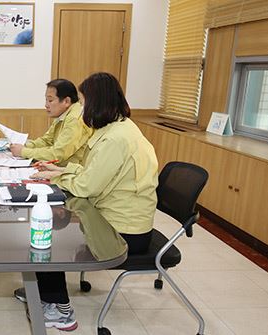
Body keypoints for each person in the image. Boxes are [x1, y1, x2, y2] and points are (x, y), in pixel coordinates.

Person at [14, 72, 159, 332]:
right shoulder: (114, 129)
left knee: (49, 235)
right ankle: (43, 291)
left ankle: (60, 309)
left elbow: (87, 186)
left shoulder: (116, 138)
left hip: (124, 229)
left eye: (83, 102)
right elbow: (90, 172)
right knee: (48, 222)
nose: (81, 110)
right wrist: (59, 172)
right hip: (110, 214)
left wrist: (57, 177)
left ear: (98, 102)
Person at [10, 79, 92, 166]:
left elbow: (57, 154)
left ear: (66, 101)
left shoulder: (75, 120)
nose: (46, 105)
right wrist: (24, 145)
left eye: (50, 100)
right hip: (58, 168)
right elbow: (47, 140)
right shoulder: (63, 114)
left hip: (71, 173)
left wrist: (23, 151)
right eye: (46, 100)